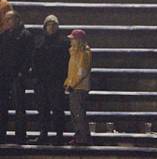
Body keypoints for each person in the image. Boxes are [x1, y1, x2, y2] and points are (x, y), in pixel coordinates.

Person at [31, 15, 69, 145]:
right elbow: (34, 60)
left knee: (57, 108)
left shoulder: (64, 42)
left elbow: (66, 62)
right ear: (45, 26)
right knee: (42, 109)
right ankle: (43, 133)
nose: (51, 27)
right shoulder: (38, 41)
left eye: (54, 25)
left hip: (57, 81)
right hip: (41, 81)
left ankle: (59, 135)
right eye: (49, 24)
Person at [0, 11, 33, 144]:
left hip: (17, 76)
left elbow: (29, 56)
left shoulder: (26, 35)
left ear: (17, 20)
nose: (7, 22)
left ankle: (20, 136)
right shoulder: (3, 36)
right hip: (4, 75)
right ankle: (1, 135)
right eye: (6, 19)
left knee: (19, 106)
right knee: (2, 106)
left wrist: (22, 72)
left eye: (10, 19)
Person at [64, 29, 92, 146]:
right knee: (75, 113)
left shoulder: (83, 53)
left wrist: (72, 85)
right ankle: (79, 135)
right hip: (74, 86)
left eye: (73, 39)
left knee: (79, 113)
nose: (71, 41)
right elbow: (72, 71)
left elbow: (81, 72)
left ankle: (83, 137)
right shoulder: (75, 52)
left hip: (79, 88)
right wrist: (67, 82)